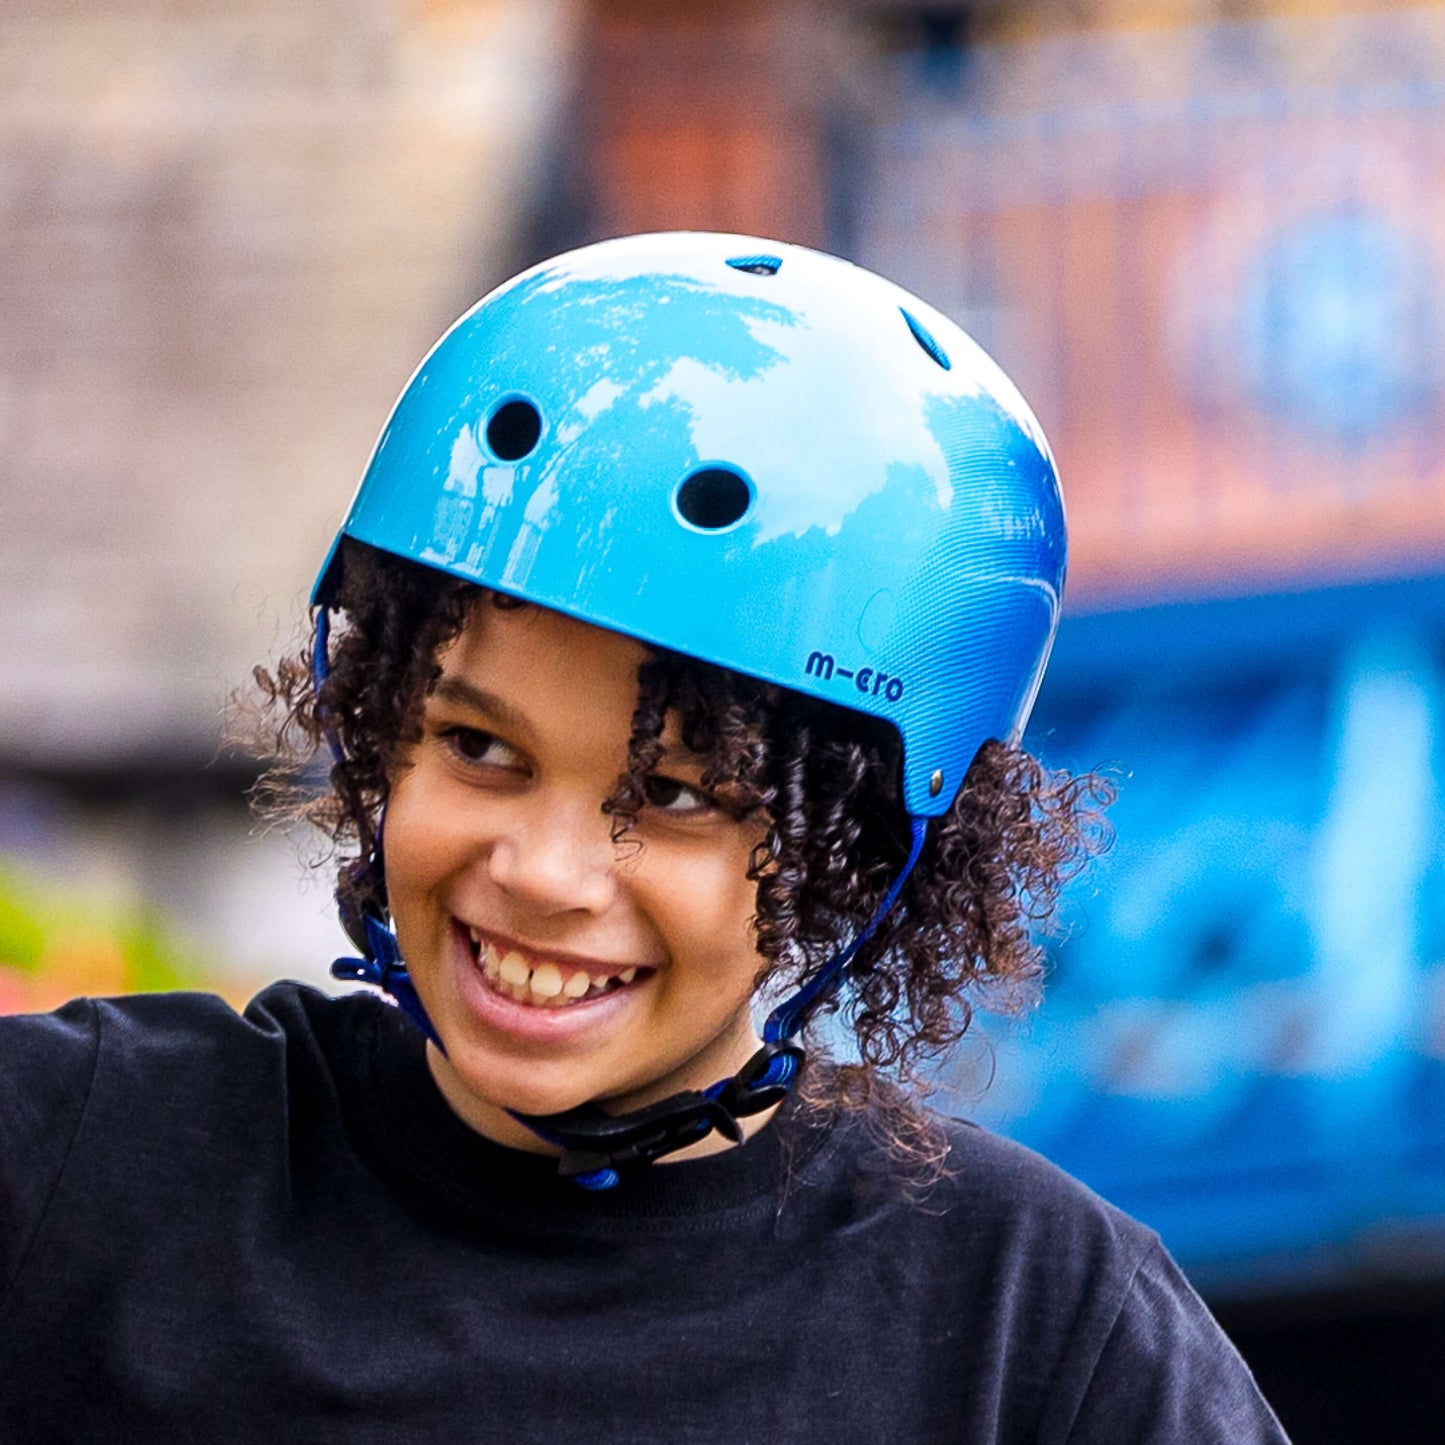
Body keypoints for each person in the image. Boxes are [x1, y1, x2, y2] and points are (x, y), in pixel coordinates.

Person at [0, 233, 1289, 1442]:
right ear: (382, 717)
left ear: (850, 847)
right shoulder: (81, 1157)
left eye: (676, 795)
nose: (543, 876)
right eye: (478, 747)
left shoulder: (1040, 1334)